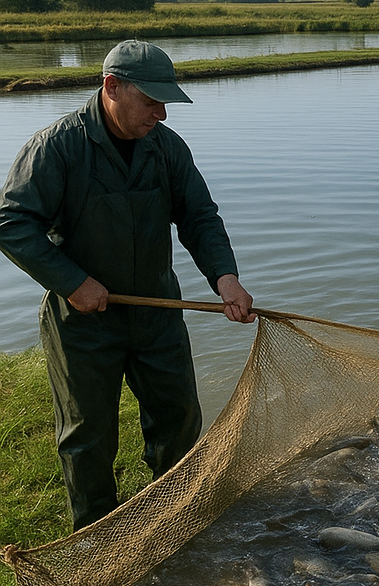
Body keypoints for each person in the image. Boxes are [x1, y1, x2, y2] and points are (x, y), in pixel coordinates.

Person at [0, 39, 256, 530]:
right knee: (88, 437)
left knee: (178, 419)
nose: (161, 113)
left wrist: (225, 277)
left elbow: (199, 216)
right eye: (152, 101)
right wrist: (73, 282)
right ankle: (97, 540)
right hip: (83, 321)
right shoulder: (57, 147)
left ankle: (178, 519)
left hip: (157, 311)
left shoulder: (166, 148)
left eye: (166, 101)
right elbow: (12, 224)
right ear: (111, 88)